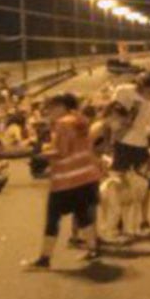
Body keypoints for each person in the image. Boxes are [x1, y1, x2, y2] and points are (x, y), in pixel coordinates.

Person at [22, 94, 102, 270]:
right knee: (82, 213)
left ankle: (44, 259)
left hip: (67, 179)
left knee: (52, 218)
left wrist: (41, 155)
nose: (48, 112)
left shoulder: (63, 123)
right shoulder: (80, 120)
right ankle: (93, 249)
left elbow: (62, 151)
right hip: (86, 175)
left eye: (51, 108)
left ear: (61, 107)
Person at [110, 72, 150, 234]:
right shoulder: (123, 91)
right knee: (119, 183)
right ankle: (118, 221)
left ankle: (144, 221)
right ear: (141, 86)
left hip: (141, 145)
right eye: (149, 90)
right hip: (122, 143)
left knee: (145, 183)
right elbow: (112, 113)